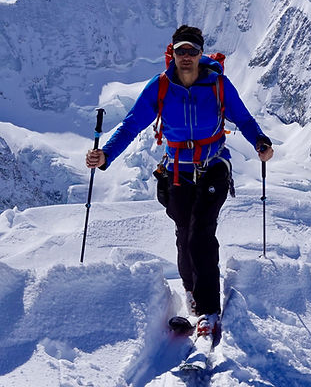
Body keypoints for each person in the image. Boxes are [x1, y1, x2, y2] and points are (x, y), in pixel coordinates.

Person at [85, 25, 273, 337]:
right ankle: (191, 293)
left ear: (201, 54)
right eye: (180, 51)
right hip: (177, 170)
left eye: (192, 51)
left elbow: (243, 118)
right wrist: (105, 155)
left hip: (213, 165)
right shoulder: (160, 87)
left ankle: (209, 308)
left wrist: (261, 142)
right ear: (172, 53)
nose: (186, 57)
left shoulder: (218, 85)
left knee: (200, 232)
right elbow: (131, 125)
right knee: (184, 233)